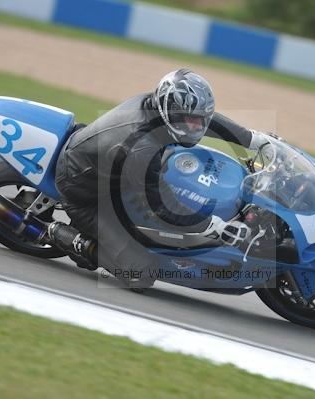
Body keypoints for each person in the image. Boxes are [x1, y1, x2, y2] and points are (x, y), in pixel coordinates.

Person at [47, 68, 269, 288]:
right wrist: (212, 225)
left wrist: (253, 139)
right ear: (170, 111)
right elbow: (164, 208)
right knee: (141, 274)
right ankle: (68, 238)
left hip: (110, 169)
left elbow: (203, 118)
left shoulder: (158, 106)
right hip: (87, 195)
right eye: (191, 120)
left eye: (200, 120)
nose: (198, 127)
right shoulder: (142, 148)